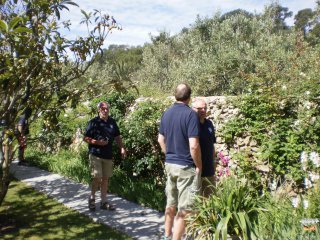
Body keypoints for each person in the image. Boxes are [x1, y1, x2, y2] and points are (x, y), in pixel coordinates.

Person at [158, 83, 202, 240]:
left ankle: (166, 236)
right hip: (185, 166)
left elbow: (160, 139)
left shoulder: (167, 113)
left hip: (170, 164)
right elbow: (194, 146)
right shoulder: (191, 115)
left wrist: (169, 155)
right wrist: (198, 165)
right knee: (184, 209)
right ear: (189, 97)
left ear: (175, 95)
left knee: (171, 204)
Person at [84, 101, 126, 211]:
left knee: (105, 179)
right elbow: (86, 138)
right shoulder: (93, 122)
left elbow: (117, 137)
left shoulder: (112, 122)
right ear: (99, 110)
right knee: (97, 177)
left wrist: (122, 147)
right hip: (95, 154)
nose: (105, 110)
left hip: (108, 155)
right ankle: (92, 198)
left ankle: (103, 202)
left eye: (107, 108)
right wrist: (97, 142)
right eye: (103, 109)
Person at [192, 98, 217, 197]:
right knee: (195, 201)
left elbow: (212, 144)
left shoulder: (209, 124)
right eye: (199, 108)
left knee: (210, 198)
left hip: (209, 169)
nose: (203, 110)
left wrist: (214, 161)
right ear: (193, 109)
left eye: (204, 108)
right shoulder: (191, 124)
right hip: (195, 169)